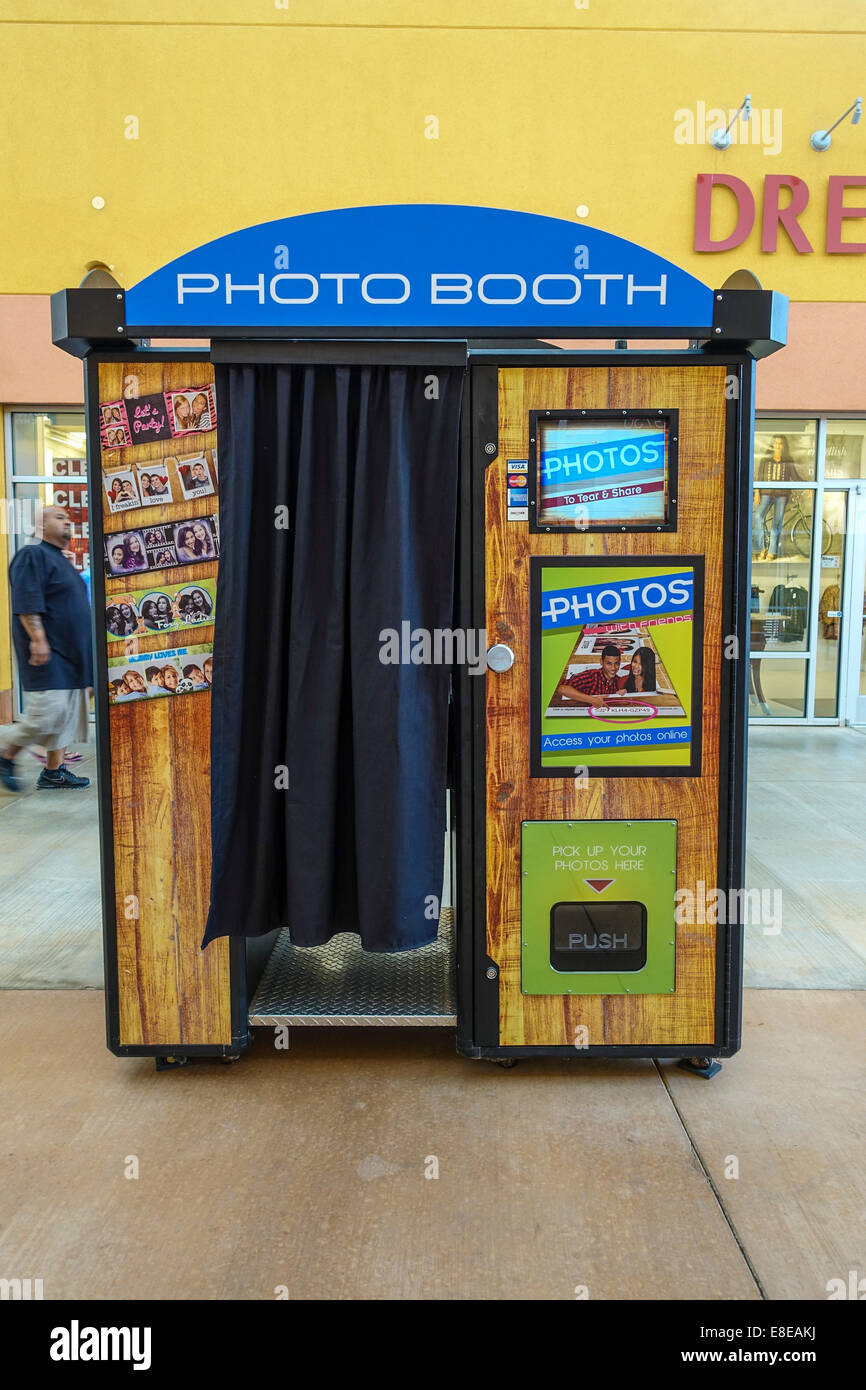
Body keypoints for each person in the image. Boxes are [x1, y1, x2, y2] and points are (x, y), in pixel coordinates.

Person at [0, 506, 92, 791]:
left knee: (65, 716)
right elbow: (27, 599)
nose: (68, 521)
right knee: (48, 713)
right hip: (50, 651)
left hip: (71, 655)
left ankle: (54, 773)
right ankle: (6, 752)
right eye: (59, 517)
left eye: (69, 518)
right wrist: (37, 638)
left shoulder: (59, 559)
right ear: (40, 524)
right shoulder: (32, 554)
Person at [753, 433, 799, 562]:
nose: (778, 446)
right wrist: (757, 492)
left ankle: (772, 551)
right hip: (766, 492)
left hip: (782, 494)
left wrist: (810, 486)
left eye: (780, 443)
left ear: (784, 446)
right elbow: (759, 477)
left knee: (777, 523)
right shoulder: (765, 460)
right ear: (772, 445)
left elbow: (795, 476)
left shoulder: (788, 460)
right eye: (776, 443)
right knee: (757, 516)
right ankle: (762, 548)